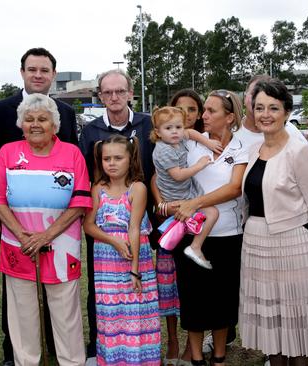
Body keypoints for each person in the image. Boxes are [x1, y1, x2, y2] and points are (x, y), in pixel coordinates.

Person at [0, 47, 76, 366]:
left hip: (58, 224)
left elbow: (73, 166)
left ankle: (54, 350)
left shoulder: (66, 111)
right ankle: (17, 354)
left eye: (44, 70)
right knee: (19, 290)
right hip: (13, 220)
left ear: (52, 75)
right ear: (22, 72)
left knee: (57, 291)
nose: (38, 75)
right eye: (32, 69)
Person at [0, 93, 91, 366]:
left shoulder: (71, 153)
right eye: (29, 119)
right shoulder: (7, 152)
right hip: (17, 245)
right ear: (21, 123)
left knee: (66, 316)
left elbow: (80, 203)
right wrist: (24, 237)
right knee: (23, 317)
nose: (35, 124)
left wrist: (46, 236)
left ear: (54, 125)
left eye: (42, 119)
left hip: (61, 247)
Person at [239, 78, 308, 366]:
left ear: (287, 113)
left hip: (294, 246)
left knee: (296, 327)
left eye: (273, 108)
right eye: (260, 107)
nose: (265, 114)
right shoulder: (253, 152)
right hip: (256, 243)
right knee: (271, 329)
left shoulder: (299, 150)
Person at [162, 90, 248, 366]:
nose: (203, 115)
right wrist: (166, 203)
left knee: (223, 301)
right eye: (205, 110)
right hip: (192, 235)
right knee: (194, 300)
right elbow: (168, 157)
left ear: (230, 117)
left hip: (228, 235)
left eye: (211, 111)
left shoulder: (241, 147)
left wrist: (195, 202)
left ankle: (219, 357)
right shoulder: (192, 145)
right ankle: (197, 358)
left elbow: (234, 188)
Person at [78, 69, 155, 364]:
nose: (114, 97)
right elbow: (88, 173)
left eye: (119, 91)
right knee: (100, 288)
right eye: (107, 92)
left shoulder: (147, 125)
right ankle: (102, 345)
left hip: (142, 217)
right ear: (100, 96)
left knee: (144, 286)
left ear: (130, 93)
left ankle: (139, 347)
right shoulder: (92, 130)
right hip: (104, 220)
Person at [83, 134, 161, 365]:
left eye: (118, 158)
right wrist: (113, 241)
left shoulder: (137, 188)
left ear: (130, 158)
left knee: (136, 313)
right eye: (107, 158)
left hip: (135, 258)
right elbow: (88, 225)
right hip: (106, 261)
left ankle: (140, 360)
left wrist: (135, 270)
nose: (112, 163)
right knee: (111, 315)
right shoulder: (97, 188)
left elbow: (134, 228)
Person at [153, 89, 205, 366]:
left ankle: (192, 343)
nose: (185, 118)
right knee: (168, 284)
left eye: (192, 111)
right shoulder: (170, 142)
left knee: (194, 288)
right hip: (171, 222)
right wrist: (163, 205)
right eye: (179, 111)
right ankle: (172, 338)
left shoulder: (201, 142)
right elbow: (156, 178)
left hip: (198, 222)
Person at [151, 106, 222, 269]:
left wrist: (208, 142)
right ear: (158, 132)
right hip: (175, 197)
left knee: (206, 213)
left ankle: (192, 243)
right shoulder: (164, 150)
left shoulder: (178, 138)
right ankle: (195, 247)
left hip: (185, 190)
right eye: (168, 128)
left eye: (178, 127)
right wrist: (200, 165)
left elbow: (191, 133)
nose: (175, 131)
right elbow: (178, 175)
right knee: (212, 212)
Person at [236, 74, 307, 147]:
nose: (259, 99)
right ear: (244, 98)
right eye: (254, 94)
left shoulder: (290, 132)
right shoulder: (231, 131)